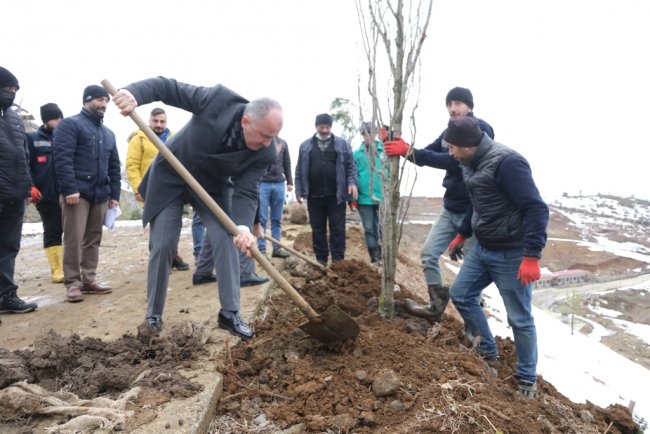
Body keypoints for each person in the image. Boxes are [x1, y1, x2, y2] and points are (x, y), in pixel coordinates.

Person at [112, 77, 282, 340]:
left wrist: (244, 227)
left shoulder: (266, 152)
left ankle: (230, 313)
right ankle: (153, 315)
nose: (268, 144)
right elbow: (167, 88)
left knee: (226, 237)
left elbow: (247, 191)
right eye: (264, 136)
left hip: (213, 187)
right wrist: (133, 93)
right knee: (164, 243)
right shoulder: (217, 100)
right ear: (245, 121)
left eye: (273, 137)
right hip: (171, 173)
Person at [444, 116, 549, 399]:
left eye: (452, 147)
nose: (450, 153)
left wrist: (531, 256)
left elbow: (536, 209)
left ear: (467, 145)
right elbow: (477, 203)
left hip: (512, 254)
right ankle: (488, 352)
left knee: (519, 318)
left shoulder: (508, 163)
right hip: (482, 248)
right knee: (461, 293)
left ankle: (527, 380)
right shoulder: (468, 163)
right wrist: (462, 233)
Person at [384, 87, 494, 319]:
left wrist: (409, 151)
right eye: (449, 104)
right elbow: (427, 154)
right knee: (428, 254)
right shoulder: (448, 132)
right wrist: (402, 146)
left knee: (472, 270)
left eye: (458, 104)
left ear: (469, 106)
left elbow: (452, 162)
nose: (453, 109)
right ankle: (436, 304)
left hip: (473, 211)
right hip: (450, 207)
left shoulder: (482, 130)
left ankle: (474, 326)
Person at [53, 85, 121, 303]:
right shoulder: (70, 125)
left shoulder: (108, 134)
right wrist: (69, 188)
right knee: (73, 239)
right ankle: (72, 283)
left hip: (101, 194)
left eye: (106, 101)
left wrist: (115, 194)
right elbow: (62, 158)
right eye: (99, 100)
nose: (103, 105)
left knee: (93, 239)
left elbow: (113, 167)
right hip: (77, 194)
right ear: (87, 100)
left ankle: (88, 280)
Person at [125, 107, 189, 271]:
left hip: (171, 189)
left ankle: (171, 254)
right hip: (150, 190)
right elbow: (132, 166)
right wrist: (138, 190)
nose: (159, 125)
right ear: (149, 121)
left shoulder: (174, 138)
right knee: (157, 226)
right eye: (156, 121)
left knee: (173, 225)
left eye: (162, 121)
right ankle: (160, 259)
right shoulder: (139, 139)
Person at [294, 113, 358, 265]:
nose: (324, 130)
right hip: (314, 197)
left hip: (336, 197)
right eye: (321, 127)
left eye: (327, 127)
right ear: (316, 126)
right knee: (317, 230)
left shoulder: (342, 144)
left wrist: (352, 183)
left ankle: (338, 261)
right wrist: (298, 190)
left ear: (331, 127)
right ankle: (321, 260)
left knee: (338, 229)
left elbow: (351, 166)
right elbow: (299, 170)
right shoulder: (305, 146)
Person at [0, 66, 38, 315]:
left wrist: (28, 185)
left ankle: (7, 296)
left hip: (15, 194)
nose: (11, 94)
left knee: (9, 246)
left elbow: (24, 155)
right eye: (7, 89)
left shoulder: (13, 118)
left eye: (14, 90)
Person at [26, 103, 65, 283]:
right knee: (52, 230)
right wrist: (30, 186)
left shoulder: (65, 137)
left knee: (71, 231)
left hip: (66, 193)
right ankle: (57, 269)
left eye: (60, 118)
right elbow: (25, 165)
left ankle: (71, 265)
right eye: (54, 118)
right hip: (45, 194)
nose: (58, 121)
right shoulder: (32, 139)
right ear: (46, 120)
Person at [354, 122, 384, 263]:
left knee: (382, 227)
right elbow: (353, 176)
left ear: (376, 133)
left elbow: (390, 172)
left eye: (370, 133)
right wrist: (352, 197)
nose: (367, 136)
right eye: (364, 134)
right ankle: (374, 257)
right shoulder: (356, 155)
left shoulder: (384, 151)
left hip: (382, 198)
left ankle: (384, 255)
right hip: (364, 198)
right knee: (369, 228)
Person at [257, 137, 293, 258]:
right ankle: (261, 248)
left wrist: (290, 182)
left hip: (279, 184)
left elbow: (287, 163)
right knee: (261, 218)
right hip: (263, 183)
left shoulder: (283, 143)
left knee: (276, 219)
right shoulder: (261, 141)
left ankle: (276, 248)